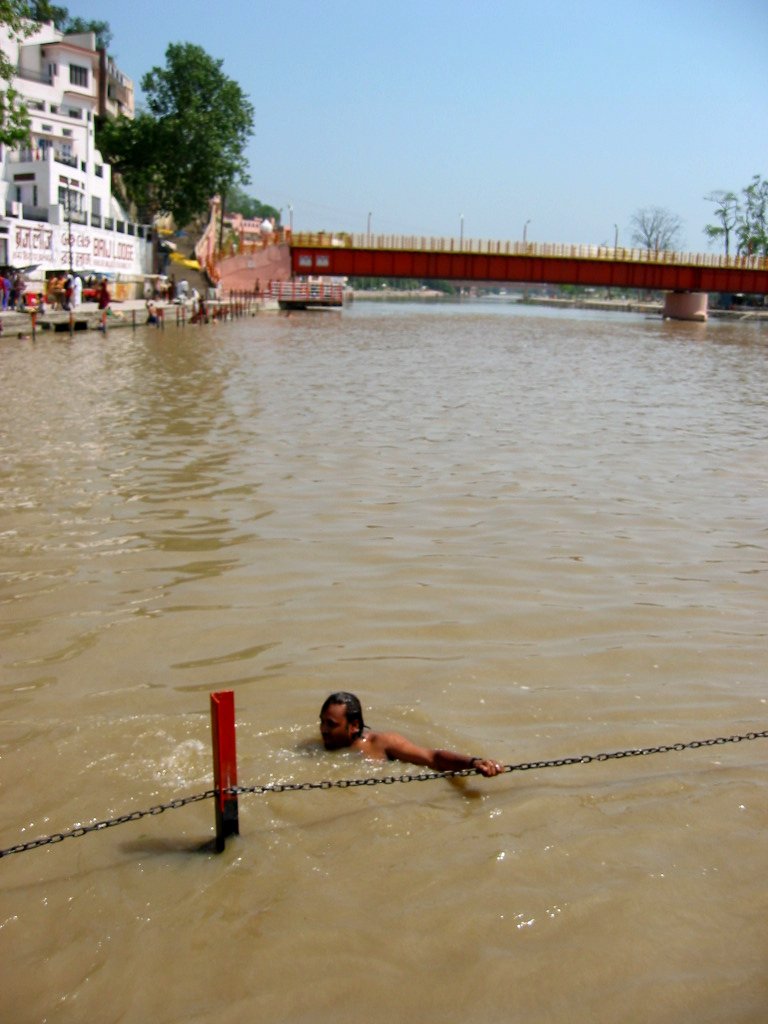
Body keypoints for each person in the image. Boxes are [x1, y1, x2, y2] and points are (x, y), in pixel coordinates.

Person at [319, 692, 505, 777]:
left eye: (331, 724)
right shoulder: (315, 748)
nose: (323, 730)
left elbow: (432, 758)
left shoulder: (383, 743)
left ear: (354, 726)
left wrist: (473, 763)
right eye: (322, 722)